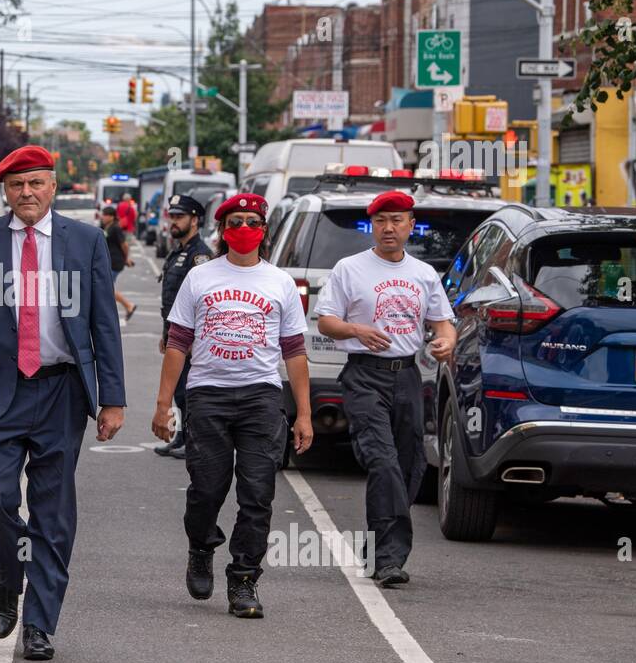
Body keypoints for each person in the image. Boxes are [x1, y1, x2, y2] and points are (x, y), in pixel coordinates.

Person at [0, 144, 126, 661]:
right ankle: (9, 573)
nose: (27, 193)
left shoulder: (86, 240)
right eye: (18, 185)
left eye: (37, 183)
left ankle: (41, 623)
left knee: (54, 512)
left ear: (53, 186)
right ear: (5, 191)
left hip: (61, 391)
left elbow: (103, 325)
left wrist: (112, 399)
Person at [152, 192, 313, 618]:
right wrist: (163, 404)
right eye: (235, 221)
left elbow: (295, 351)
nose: (244, 228)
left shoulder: (280, 282)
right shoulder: (201, 277)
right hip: (208, 395)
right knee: (207, 489)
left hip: (261, 396)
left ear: (264, 230)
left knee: (258, 493)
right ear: (223, 230)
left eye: (252, 221)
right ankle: (202, 545)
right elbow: (177, 343)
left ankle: (244, 578)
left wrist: (304, 414)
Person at [314, 190, 456, 587]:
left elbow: (443, 324)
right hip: (363, 375)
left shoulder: (424, 274)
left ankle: (379, 546)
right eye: (380, 221)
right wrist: (356, 329)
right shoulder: (349, 268)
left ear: (412, 225)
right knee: (382, 460)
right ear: (371, 227)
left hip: (407, 376)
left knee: (410, 464)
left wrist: (445, 342)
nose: (388, 228)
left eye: (397, 220)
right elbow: (326, 321)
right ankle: (388, 558)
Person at [155, 193, 212, 459]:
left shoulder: (200, 255)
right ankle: (181, 436)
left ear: (195, 220)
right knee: (179, 390)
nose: (173, 222)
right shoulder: (179, 251)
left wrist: (193, 339)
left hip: (193, 337)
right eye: (172, 216)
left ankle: (195, 442)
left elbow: (203, 299)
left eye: (179, 217)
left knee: (191, 391)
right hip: (176, 332)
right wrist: (166, 332)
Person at [100, 204, 137, 320]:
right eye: (103, 214)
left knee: (107, 287)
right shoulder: (107, 227)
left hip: (115, 262)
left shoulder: (116, 228)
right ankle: (125, 307)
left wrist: (126, 258)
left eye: (106, 215)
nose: (103, 217)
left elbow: (124, 245)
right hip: (109, 261)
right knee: (106, 288)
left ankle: (128, 305)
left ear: (112, 216)